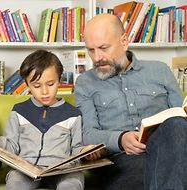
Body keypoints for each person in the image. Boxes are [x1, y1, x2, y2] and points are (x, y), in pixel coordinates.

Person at [74, 13, 187, 190]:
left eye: (103, 48)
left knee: (177, 124)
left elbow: (181, 117)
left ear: (124, 41)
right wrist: (120, 139)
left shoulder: (160, 70)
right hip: (123, 160)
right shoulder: (85, 83)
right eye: (91, 50)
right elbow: (88, 134)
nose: (96, 58)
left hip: (169, 152)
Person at [0, 50, 101, 190]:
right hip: (27, 170)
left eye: (50, 84)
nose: (44, 91)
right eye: (37, 86)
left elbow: (76, 149)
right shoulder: (19, 111)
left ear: (59, 80)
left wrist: (86, 151)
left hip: (63, 171)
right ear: (27, 85)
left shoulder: (73, 114)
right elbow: (12, 146)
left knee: (72, 183)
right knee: (14, 182)